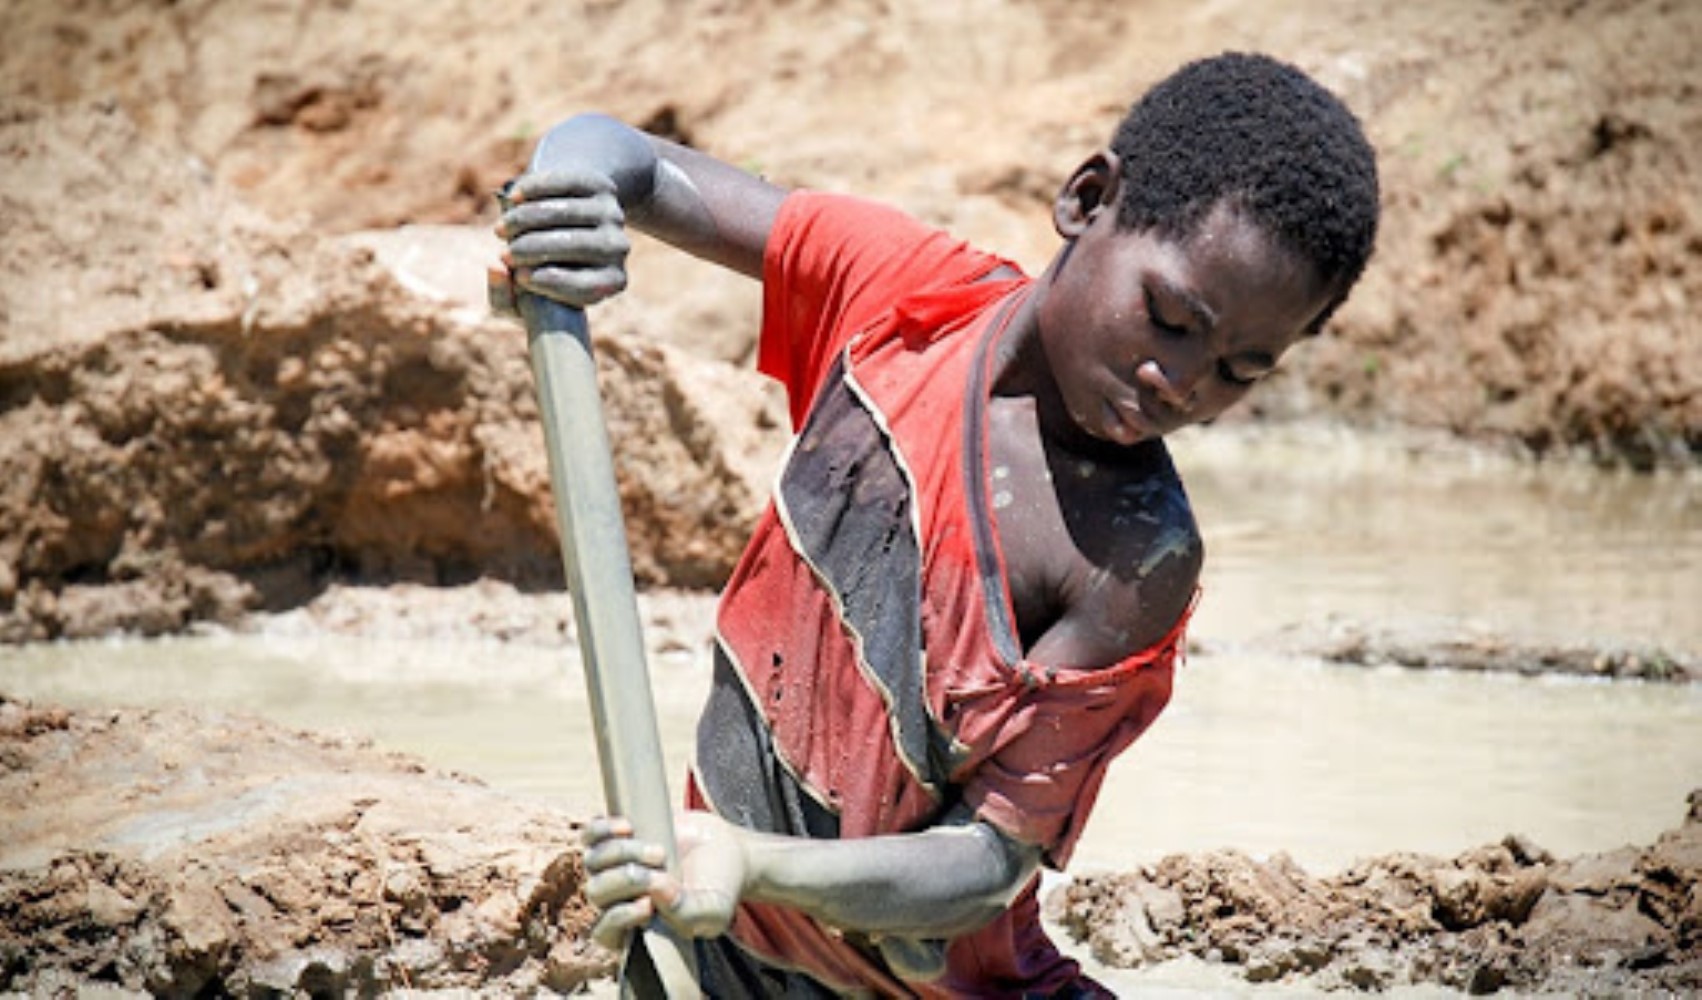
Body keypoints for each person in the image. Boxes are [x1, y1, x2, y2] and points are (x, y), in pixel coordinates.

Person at [493, 50, 1380, 997]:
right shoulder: (908, 304)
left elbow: (982, 869)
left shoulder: (1132, 558)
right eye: (1168, 317)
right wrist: (575, 191)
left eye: (1243, 370)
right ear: (1087, 200)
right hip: (710, 954)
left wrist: (751, 867)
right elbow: (626, 158)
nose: (1185, 382)